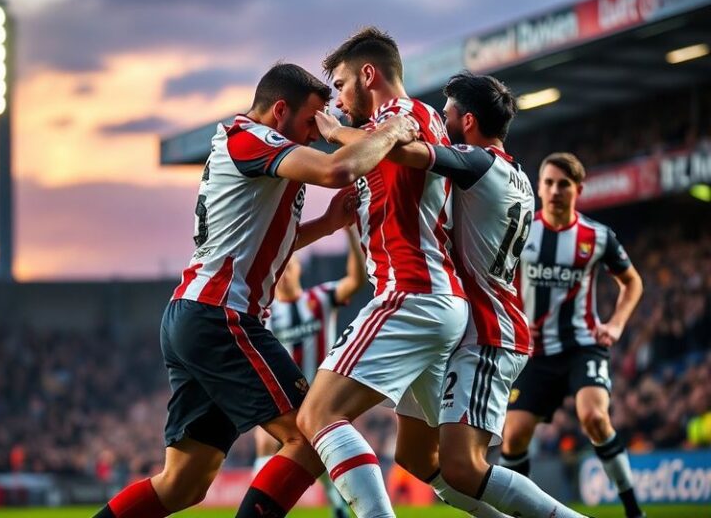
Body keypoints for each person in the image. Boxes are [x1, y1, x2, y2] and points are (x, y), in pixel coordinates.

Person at [92, 62, 417, 518]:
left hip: (196, 315)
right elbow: (338, 170)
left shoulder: (250, 149)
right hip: (220, 314)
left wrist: (324, 226)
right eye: (310, 120)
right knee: (310, 433)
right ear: (279, 110)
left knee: (183, 483)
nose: (315, 132)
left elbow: (260, 242)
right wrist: (392, 131)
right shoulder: (252, 137)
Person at [322, 72, 589, 518]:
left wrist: (334, 131)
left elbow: (403, 152)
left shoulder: (479, 161)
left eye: (446, 115)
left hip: (489, 328)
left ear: (467, 121)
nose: (439, 123)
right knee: (414, 456)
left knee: (463, 467)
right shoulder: (514, 174)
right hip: (467, 323)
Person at [296, 27, 470, 518]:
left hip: (410, 295)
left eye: (344, 84)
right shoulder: (406, 128)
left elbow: (369, 150)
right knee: (422, 458)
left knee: (318, 413)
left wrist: (330, 133)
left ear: (368, 75)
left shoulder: (404, 116)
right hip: (437, 303)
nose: (341, 102)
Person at [500, 152, 646, 518]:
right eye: (548, 183)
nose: (554, 190)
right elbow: (496, 279)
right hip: (533, 351)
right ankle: (522, 512)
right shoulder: (524, 230)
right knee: (513, 436)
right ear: (538, 186)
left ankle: (633, 510)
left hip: (582, 345)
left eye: (563, 184)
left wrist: (615, 325)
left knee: (594, 418)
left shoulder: (597, 237)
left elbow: (632, 282)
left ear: (578, 189)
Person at [253, 228, 365, 518]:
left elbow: (356, 280)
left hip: (320, 392)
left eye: (289, 266)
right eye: (280, 269)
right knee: (266, 443)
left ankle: (339, 506)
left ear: (299, 268)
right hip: (283, 394)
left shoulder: (321, 298)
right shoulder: (265, 314)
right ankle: (260, 507)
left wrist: (351, 234)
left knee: (324, 451)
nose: (284, 274)